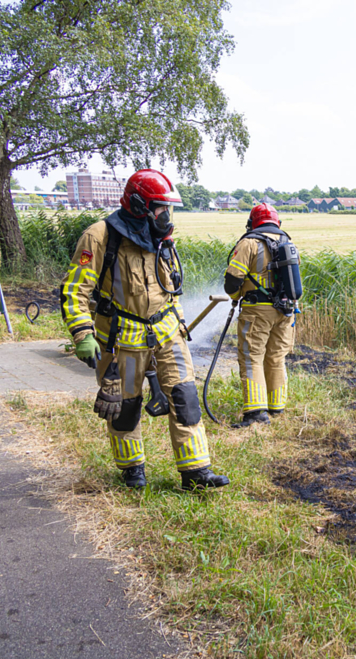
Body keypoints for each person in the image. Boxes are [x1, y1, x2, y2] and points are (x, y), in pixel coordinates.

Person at [60, 169, 230, 490]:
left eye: (169, 209)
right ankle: (132, 469)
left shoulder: (158, 236)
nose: (167, 216)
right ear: (139, 206)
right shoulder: (99, 237)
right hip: (121, 337)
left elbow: (168, 287)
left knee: (185, 397)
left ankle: (195, 472)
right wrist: (83, 334)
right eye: (161, 208)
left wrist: (178, 323)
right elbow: (74, 290)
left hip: (167, 332)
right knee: (125, 406)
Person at [223, 203, 297, 427]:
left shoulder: (249, 243)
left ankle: (256, 413)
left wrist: (236, 295)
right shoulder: (288, 242)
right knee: (276, 357)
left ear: (252, 223)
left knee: (251, 357)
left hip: (257, 311)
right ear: (277, 223)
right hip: (286, 311)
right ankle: (276, 407)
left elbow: (233, 280)